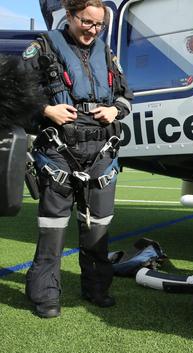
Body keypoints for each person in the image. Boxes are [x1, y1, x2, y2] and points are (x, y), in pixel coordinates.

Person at [21, 0, 132, 318]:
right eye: (87, 22)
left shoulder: (107, 54)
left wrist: (114, 109)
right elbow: (16, 90)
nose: (93, 30)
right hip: (58, 152)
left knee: (98, 227)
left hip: (101, 152)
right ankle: (45, 294)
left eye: (99, 25)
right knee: (53, 229)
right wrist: (45, 110)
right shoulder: (43, 47)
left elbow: (127, 96)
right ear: (69, 16)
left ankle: (96, 288)